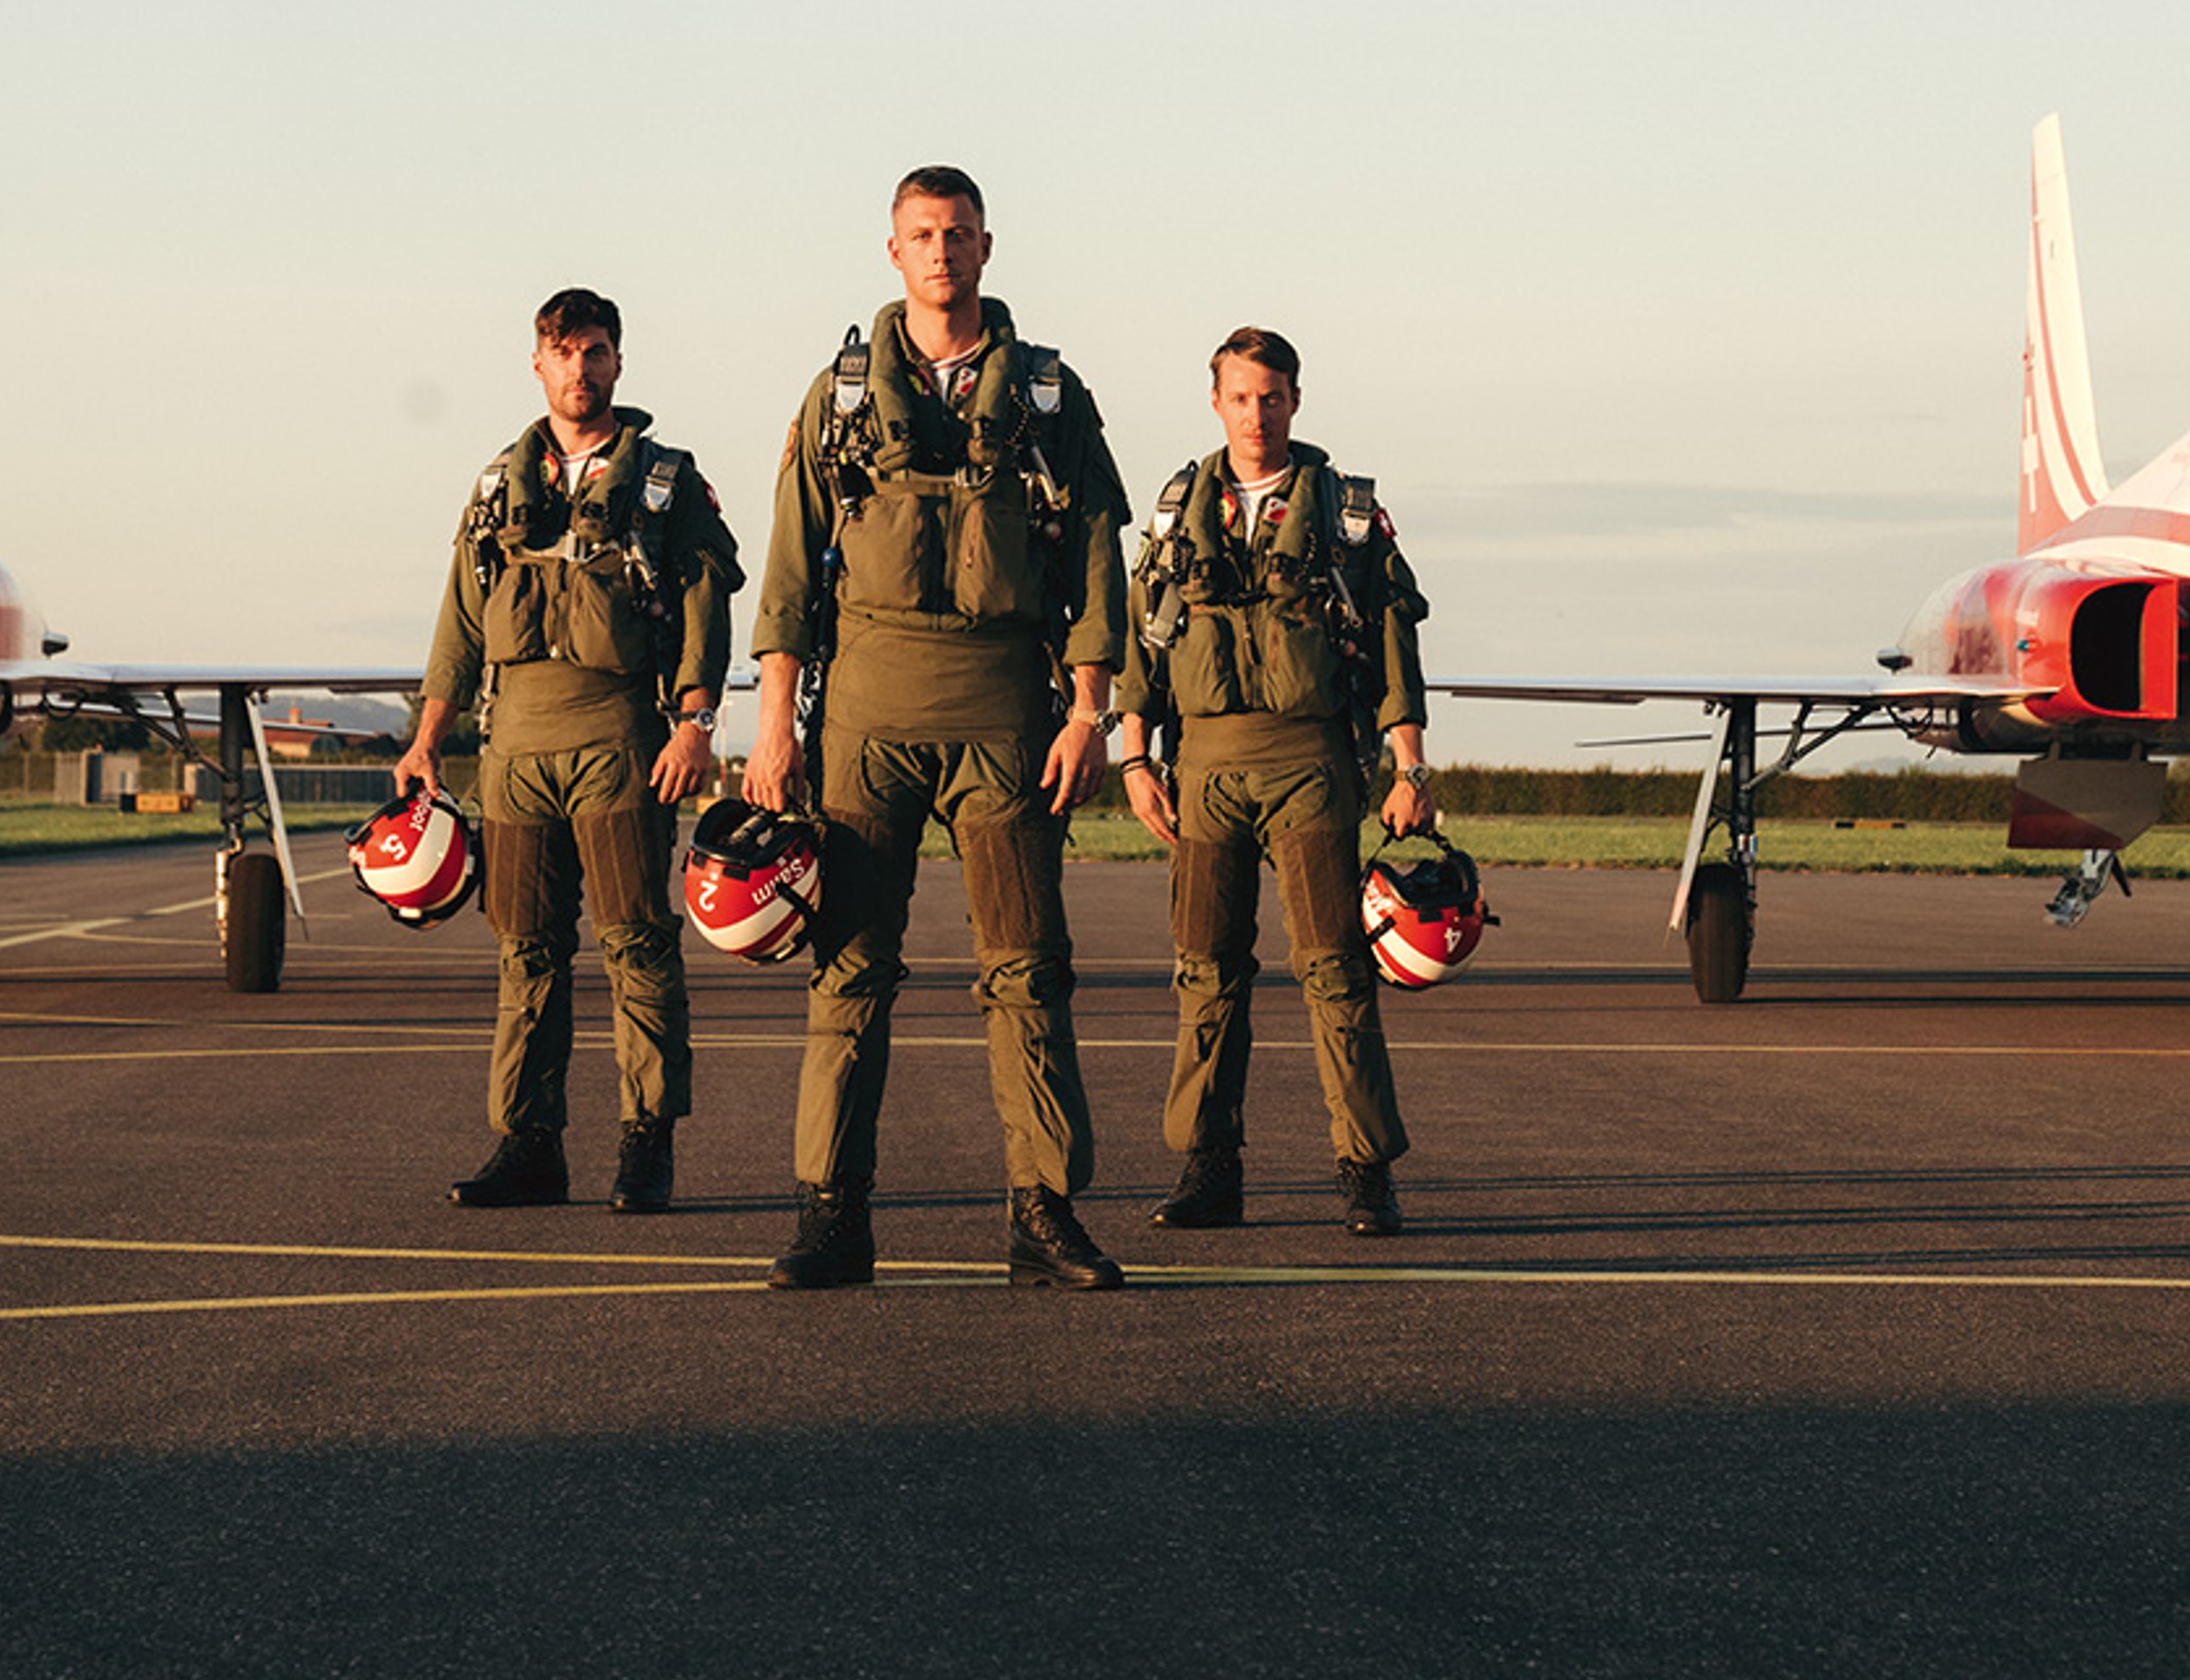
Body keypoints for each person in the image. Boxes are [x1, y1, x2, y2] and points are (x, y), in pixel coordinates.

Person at [742, 167, 1132, 1290]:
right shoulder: (839, 398)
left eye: (958, 234)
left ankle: (1044, 1209)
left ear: (987, 246)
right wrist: (774, 727)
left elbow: (1098, 563)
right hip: (866, 718)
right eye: (922, 235)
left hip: (1008, 717)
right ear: (893, 250)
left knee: (1026, 969)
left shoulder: (1050, 398)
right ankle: (831, 1213)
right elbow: (785, 577)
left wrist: (1092, 712)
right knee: (850, 968)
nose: (942, 253)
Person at [395, 288, 740, 1215]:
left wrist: (695, 723)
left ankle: (646, 1143)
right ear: (537, 365)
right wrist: (428, 741)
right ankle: (529, 1144)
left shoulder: (664, 482)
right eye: (561, 353)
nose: (578, 370)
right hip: (515, 754)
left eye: (594, 352)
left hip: (620, 739)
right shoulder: (496, 489)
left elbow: (707, 609)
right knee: (527, 952)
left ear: (618, 363)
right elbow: (459, 625)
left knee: (636, 944)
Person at [1111, 324, 1434, 1237]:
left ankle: (1365, 1172)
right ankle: (1209, 1170)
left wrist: (1410, 767)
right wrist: (1135, 758)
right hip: (1204, 768)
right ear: (1216, 402)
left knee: (1334, 972)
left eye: (1274, 395)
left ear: (1297, 400)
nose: (1258, 413)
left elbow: (1392, 646)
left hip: (1311, 767)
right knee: (1206, 973)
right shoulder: (1178, 514)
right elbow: (1145, 645)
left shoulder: (1348, 517)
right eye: (1241, 396)